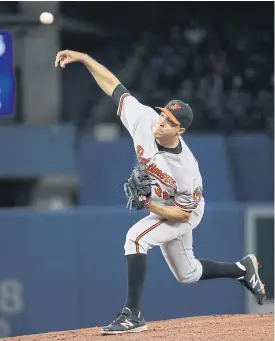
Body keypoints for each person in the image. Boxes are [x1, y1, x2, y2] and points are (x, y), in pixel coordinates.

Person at [55, 50, 266, 335]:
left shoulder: (187, 168)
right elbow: (114, 87)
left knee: (136, 239)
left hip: (183, 211)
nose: (160, 122)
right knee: (187, 274)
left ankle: (133, 315)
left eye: (167, 121)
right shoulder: (144, 119)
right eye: (162, 114)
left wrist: (148, 205)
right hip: (162, 202)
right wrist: (84, 58)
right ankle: (242, 269)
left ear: (179, 131)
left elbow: (182, 213)